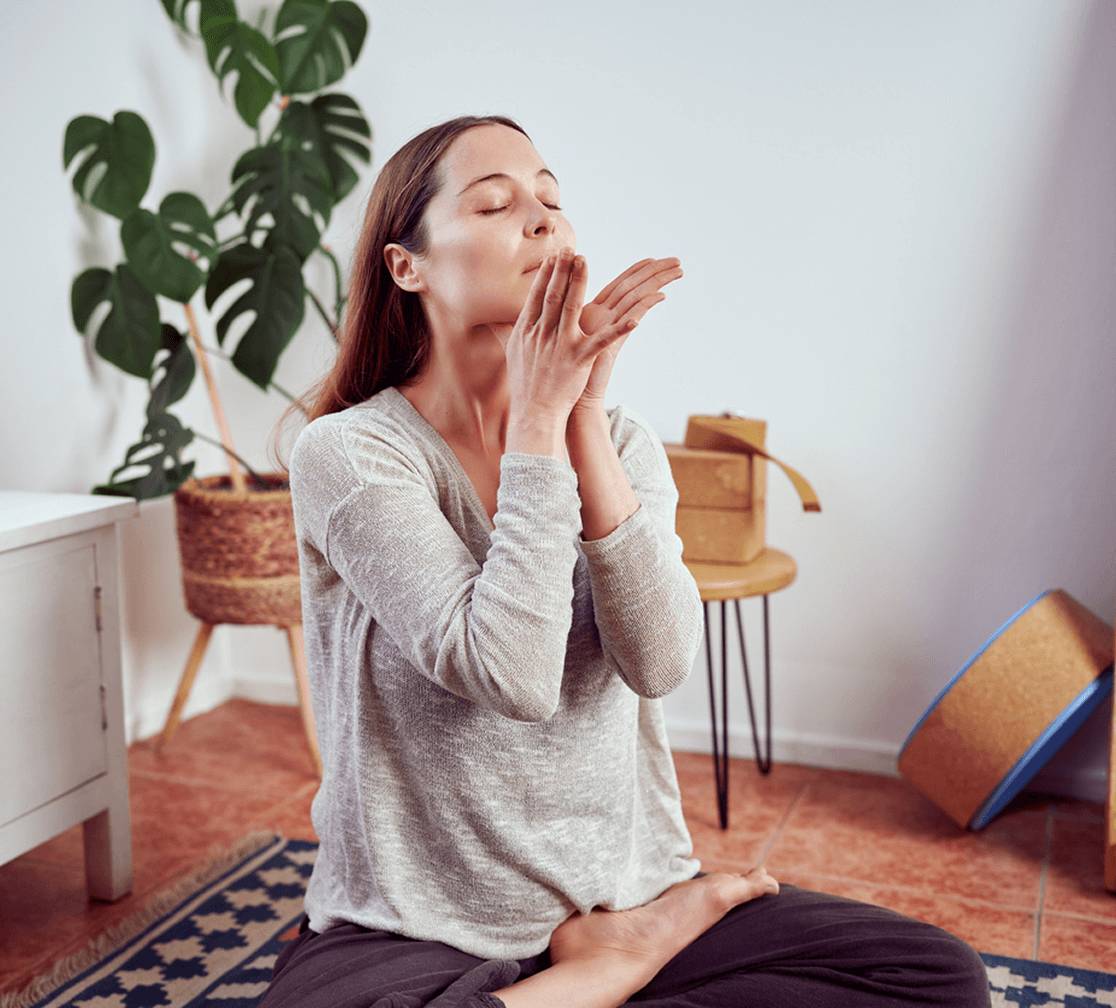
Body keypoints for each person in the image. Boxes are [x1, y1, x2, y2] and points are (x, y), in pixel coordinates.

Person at [260, 116, 990, 1008]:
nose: (541, 220)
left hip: (625, 888)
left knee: (938, 980)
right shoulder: (350, 454)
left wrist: (579, 426)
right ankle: (613, 971)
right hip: (417, 925)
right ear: (406, 266)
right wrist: (537, 423)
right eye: (495, 204)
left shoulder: (620, 441)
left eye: (552, 200)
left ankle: (594, 968)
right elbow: (512, 677)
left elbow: (659, 662)